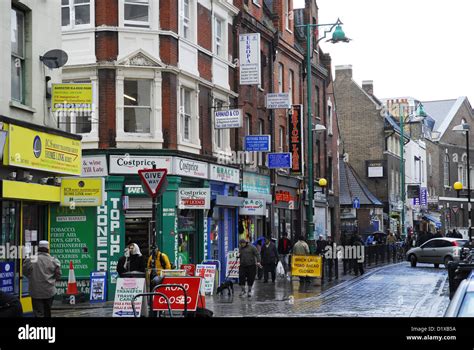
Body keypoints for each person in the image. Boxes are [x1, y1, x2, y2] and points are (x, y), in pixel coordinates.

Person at [22, 240, 61, 317]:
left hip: (35, 291)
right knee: (47, 311)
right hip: (49, 291)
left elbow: (25, 272)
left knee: (38, 312)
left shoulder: (31, 259)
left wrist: (33, 277)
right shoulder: (53, 260)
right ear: (48, 249)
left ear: (38, 248)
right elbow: (58, 275)